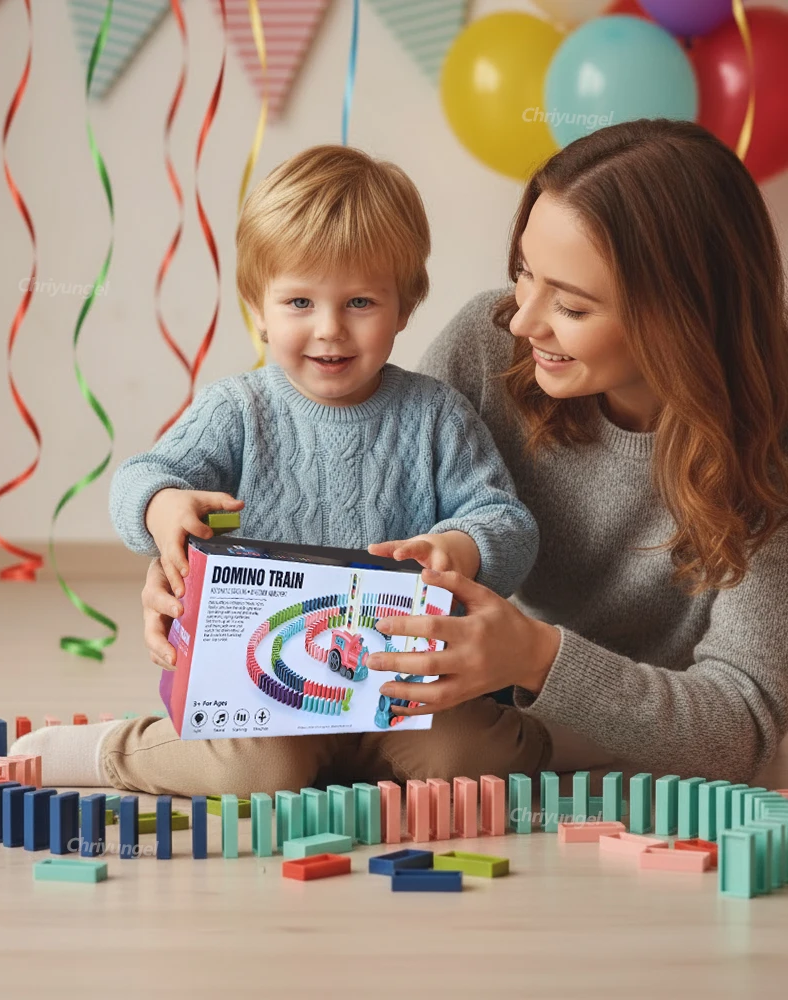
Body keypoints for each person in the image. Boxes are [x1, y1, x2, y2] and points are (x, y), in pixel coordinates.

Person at [138, 119, 788, 789]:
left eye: (569, 304)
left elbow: (744, 731)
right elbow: (383, 509)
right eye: (524, 276)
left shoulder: (768, 441)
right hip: (464, 704)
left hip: (610, 732)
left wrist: (535, 654)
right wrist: (188, 558)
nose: (522, 320)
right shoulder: (489, 342)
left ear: (679, 316)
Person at [12, 144, 546, 792]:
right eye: (299, 303)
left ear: (404, 308)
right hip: (261, 680)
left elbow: (506, 520)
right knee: (260, 769)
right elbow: (141, 476)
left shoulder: (434, 413)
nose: (329, 330)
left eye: (359, 303)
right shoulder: (237, 410)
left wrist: (459, 546)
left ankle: (365, 758)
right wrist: (162, 506)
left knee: (471, 761)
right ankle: (118, 750)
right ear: (256, 307)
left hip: (401, 679)